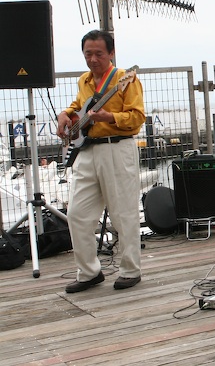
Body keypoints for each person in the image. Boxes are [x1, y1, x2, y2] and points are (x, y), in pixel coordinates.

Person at [56, 30, 146, 293]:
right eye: (88, 54)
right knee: (77, 214)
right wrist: (66, 114)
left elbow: (138, 117)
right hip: (87, 151)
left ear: (111, 53)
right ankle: (89, 272)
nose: (93, 59)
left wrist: (109, 117)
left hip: (116, 148)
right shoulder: (84, 80)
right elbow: (79, 106)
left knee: (123, 213)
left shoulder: (125, 79)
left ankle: (130, 270)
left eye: (98, 54)